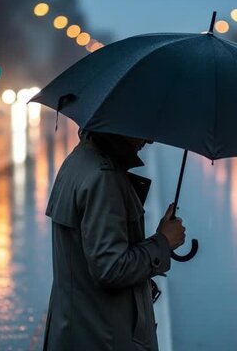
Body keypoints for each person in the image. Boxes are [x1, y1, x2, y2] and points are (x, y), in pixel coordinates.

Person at [43, 130, 187, 350]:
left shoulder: (79, 160)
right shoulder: (104, 178)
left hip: (78, 329)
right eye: (142, 129)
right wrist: (163, 242)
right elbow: (110, 268)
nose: (149, 139)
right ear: (120, 126)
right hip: (102, 337)